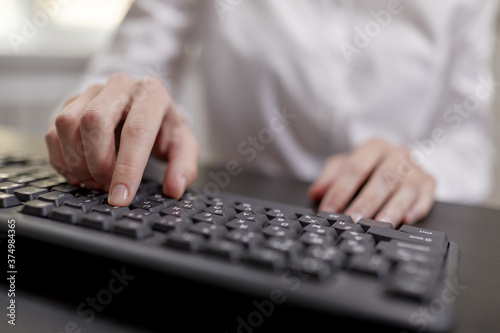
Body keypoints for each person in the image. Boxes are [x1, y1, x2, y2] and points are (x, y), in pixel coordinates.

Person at [45, 0, 499, 226]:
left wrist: (420, 166)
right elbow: (127, 69)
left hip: (392, 227)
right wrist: (122, 114)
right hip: (226, 217)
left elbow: (468, 142)